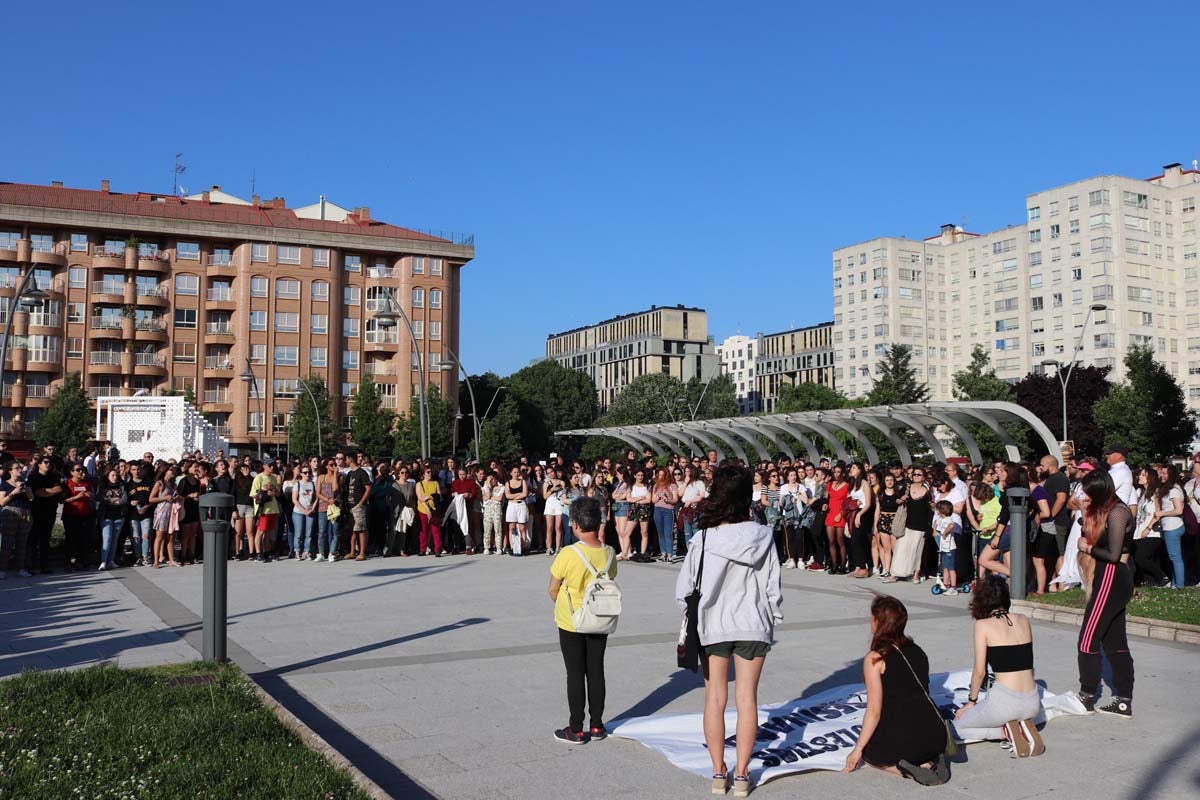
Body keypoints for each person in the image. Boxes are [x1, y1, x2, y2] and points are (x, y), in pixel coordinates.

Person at [674, 464, 782, 799]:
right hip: (753, 621)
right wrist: (773, 614)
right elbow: (773, 586)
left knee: (715, 697)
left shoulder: (703, 538)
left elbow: (684, 590)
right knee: (747, 698)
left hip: (713, 622)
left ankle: (718, 773)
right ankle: (742, 775)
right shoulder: (763, 536)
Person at [844, 595, 949, 785]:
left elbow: (874, 711)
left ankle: (908, 770)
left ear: (878, 622)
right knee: (913, 739)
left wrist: (858, 748)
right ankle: (929, 761)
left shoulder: (876, 659)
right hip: (935, 736)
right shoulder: (917, 650)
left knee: (870, 754)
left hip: (905, 742)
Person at [548, 496, 615, 745]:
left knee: (575, 673)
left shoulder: (568, 553)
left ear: (575, 524)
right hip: (600, 618)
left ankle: (576, 728)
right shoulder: (609, 553)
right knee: (596, 670)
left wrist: (565, 605)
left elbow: (553, 588)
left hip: (571, 620)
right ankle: (597, 725)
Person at [953, 576, 1044, 756]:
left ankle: (1005, 732)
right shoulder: (1023, 619)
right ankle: (1022, 726)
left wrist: (970, 703)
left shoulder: (983, 625)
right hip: (1033, 702)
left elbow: (980, 672)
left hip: (1005, 703)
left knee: (956, 727)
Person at [1074, 469, 1135, 718]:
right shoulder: (1109, 508)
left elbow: (1112, 554)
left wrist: (1086, 547)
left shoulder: (1119, 511)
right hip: (1112, 577)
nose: (1086, 497)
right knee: (1114, 641)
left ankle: (1087, 696)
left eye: (1089, 493)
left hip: (1111, 575)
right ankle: (1123, 700)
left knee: (1088, 640)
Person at [0, 461, 33, 579]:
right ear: (10, 471)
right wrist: (13, 492)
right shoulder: (4, 484)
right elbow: (1, 502)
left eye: (20, 468)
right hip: (10, 512)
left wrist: (26, 488)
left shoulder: (24, 483)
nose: (19, 470)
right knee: (7, 542)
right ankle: (2, 569)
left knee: (22, 542)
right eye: (16, 468)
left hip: (25, 511)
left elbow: (31, 498)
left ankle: (20, 568)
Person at [62, 465, 94, 570]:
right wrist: (76, 497)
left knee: (83, 539)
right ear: (71, 472)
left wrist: (90, 496)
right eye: (78, 470)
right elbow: (62, 500)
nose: (80, 472)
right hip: (71, 515)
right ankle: (68, 562)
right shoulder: (67, 484)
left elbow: (93, 496)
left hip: (85, 515)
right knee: (71, 539)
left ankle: (80, 561)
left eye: (82, 470)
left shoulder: (86, 483)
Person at [97, 467, 129, 571]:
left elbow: (124, 499)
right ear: (107, 476)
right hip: (106, 516)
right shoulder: (103, 486)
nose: (115, 477)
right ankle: (103, 561)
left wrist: (116, 502)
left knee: (115, 540)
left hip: (119, 515)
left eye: (116, 475)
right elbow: (100, 498)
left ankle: (111, 561)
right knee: (107, 539)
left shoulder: (121, 486)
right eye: (112, 475)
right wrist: (112, 500)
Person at [250, 461, 281, 563]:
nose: (272, 467)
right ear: (264, 466)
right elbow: (253, 494)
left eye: (273, 465)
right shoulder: (259, 477)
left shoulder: (273, 478)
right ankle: (258, 553)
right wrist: (263, 490)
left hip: (272, 508)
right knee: (260, 531)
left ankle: (267, 552)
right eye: (269, 465)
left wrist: (273, 490)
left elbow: (277, 493)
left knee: (269, 532)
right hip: (263, 509)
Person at [345, 457, 372, 560]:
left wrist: (361, 502)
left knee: (361, 529)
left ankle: (362, 553)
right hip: (350, 505)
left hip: (359, 505)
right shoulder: (349, 474)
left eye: (346, 459)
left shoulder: (362, 473)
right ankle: (352, 552)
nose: (345, 461)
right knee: (353, 530)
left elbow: (368, 488)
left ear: (350, 459)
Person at [651, 467, 680, 563]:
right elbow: (653, 500)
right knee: (660, 533)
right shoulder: (656, 486)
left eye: (663, 475)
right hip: (657, 509)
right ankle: (663, 555)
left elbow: (675, 499)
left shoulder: (672, 485)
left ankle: (670, 556)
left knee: (668, 533)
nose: (661, 477)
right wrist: (659, 495)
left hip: (668, 510)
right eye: (659, 475)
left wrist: (668, 500)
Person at [315, 459, 340, 561]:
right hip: (323, 506)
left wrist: (335, 475)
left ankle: (332, 552)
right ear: (326, 466)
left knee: (335, 531)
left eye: (334, 464)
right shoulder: (321, 477)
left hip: (334, 507)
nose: (333, 466)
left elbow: (335, 489)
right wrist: (327, 500)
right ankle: (321, 553)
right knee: (322, 531)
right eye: (331, 464)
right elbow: (317, 493)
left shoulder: (338, 477)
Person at [291, 464, 317, 560]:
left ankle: (307, 551)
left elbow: (316, 498)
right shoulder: (297, 484)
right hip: (298, 511)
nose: (307, 474)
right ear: (301, 474)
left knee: (309, 533)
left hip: (310, 511)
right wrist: (304, 510)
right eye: (305, 472)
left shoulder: (313, 484)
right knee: (299, 532)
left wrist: (312, 508)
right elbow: (294, 499)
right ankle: (297, 550)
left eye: (309, 472)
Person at [416, 465, 443, 557]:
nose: (430, 474)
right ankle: (422, 549)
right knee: (423, 530)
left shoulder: (435, 483)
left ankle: (438, 549)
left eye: (431, 472)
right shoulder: (419, 484)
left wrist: (428, 497)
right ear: (423, 474)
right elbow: (420, 498)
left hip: (434, 509)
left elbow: (438, 496)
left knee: (436, 530)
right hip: (423, 509)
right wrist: (429, 498)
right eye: (428, 472)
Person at [934, 500, 959, 594]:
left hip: (950, 547)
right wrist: (934, 527)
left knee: (951, 568)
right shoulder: (940, 520)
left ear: (943, 510)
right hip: (943, 547)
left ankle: (953, 587)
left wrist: (945, 533)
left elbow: (951, 526)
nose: (936, 511)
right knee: (945, 567)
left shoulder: (948, 519)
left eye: (938, 510)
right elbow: (935, 532)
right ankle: (946, 584)